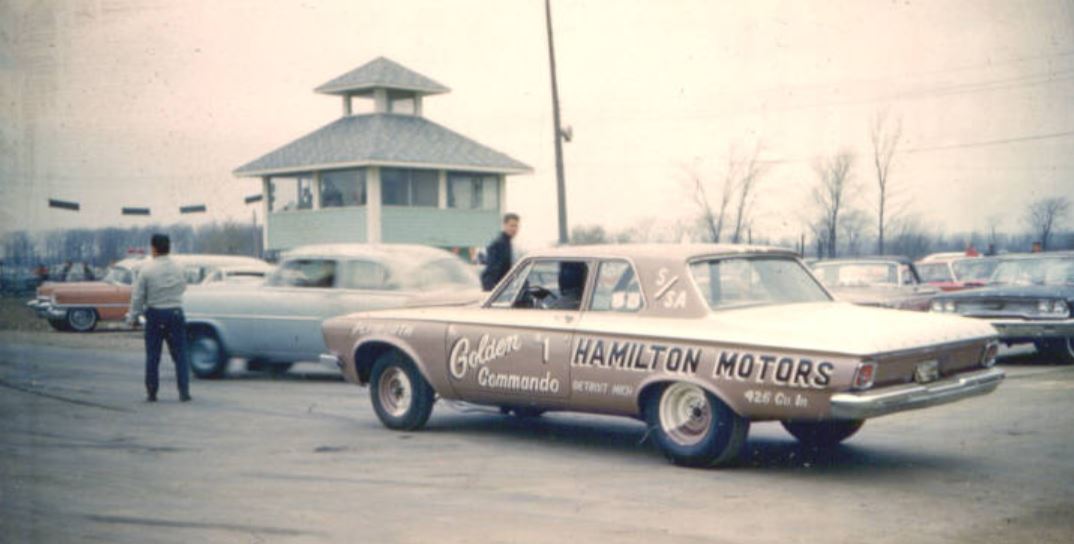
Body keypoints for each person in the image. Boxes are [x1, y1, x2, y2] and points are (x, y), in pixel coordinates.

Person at [127, 234, 191, 402]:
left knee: (153, 356)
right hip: (176, 313)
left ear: (153, 248)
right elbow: (184, 286)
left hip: (155, 315)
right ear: (169, 247)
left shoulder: (147, 270)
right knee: (181, 355)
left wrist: (133, 317)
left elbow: (138, 296)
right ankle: (184, 391)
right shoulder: (180, 267)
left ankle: (152, 392)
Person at [481, 213, 519, 291]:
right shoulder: (498, 244)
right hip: (497, 289)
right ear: (504, 225)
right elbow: (492, 270)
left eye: (516, 226)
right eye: (511, 225)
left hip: (505, 287)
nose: (514, 229)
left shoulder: (508, 243)